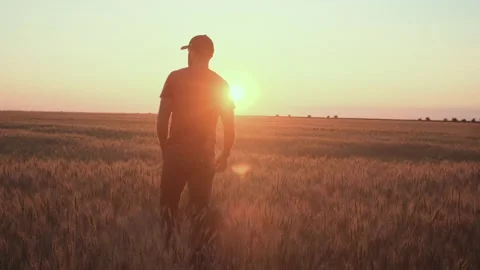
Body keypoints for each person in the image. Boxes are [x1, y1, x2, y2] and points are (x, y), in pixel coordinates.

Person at [156, 35, 236, 252]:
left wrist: (166, 148)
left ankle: (169, 252)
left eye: (188, 52)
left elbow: (163, 117)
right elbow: (229, 125)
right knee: (201, 209)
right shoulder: (220, 84)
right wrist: (225, 154)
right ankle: (198, 256)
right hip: (204, 157)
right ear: (210, 56)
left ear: (192, 52)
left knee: (168, 206)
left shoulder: (175, 77)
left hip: (176, 154)